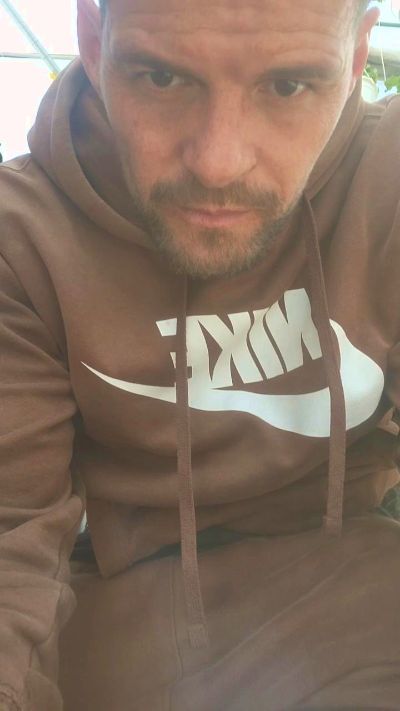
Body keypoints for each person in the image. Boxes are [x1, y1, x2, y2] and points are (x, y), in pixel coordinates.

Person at [1, 0, 400, 709]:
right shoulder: (20, 239)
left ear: (356, 55)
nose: (218, 163)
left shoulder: (388, 178)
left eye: (288, 86)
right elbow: (11, 542)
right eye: (160, 78)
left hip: (364, 584)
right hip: (118, 614)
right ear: (92, 40)